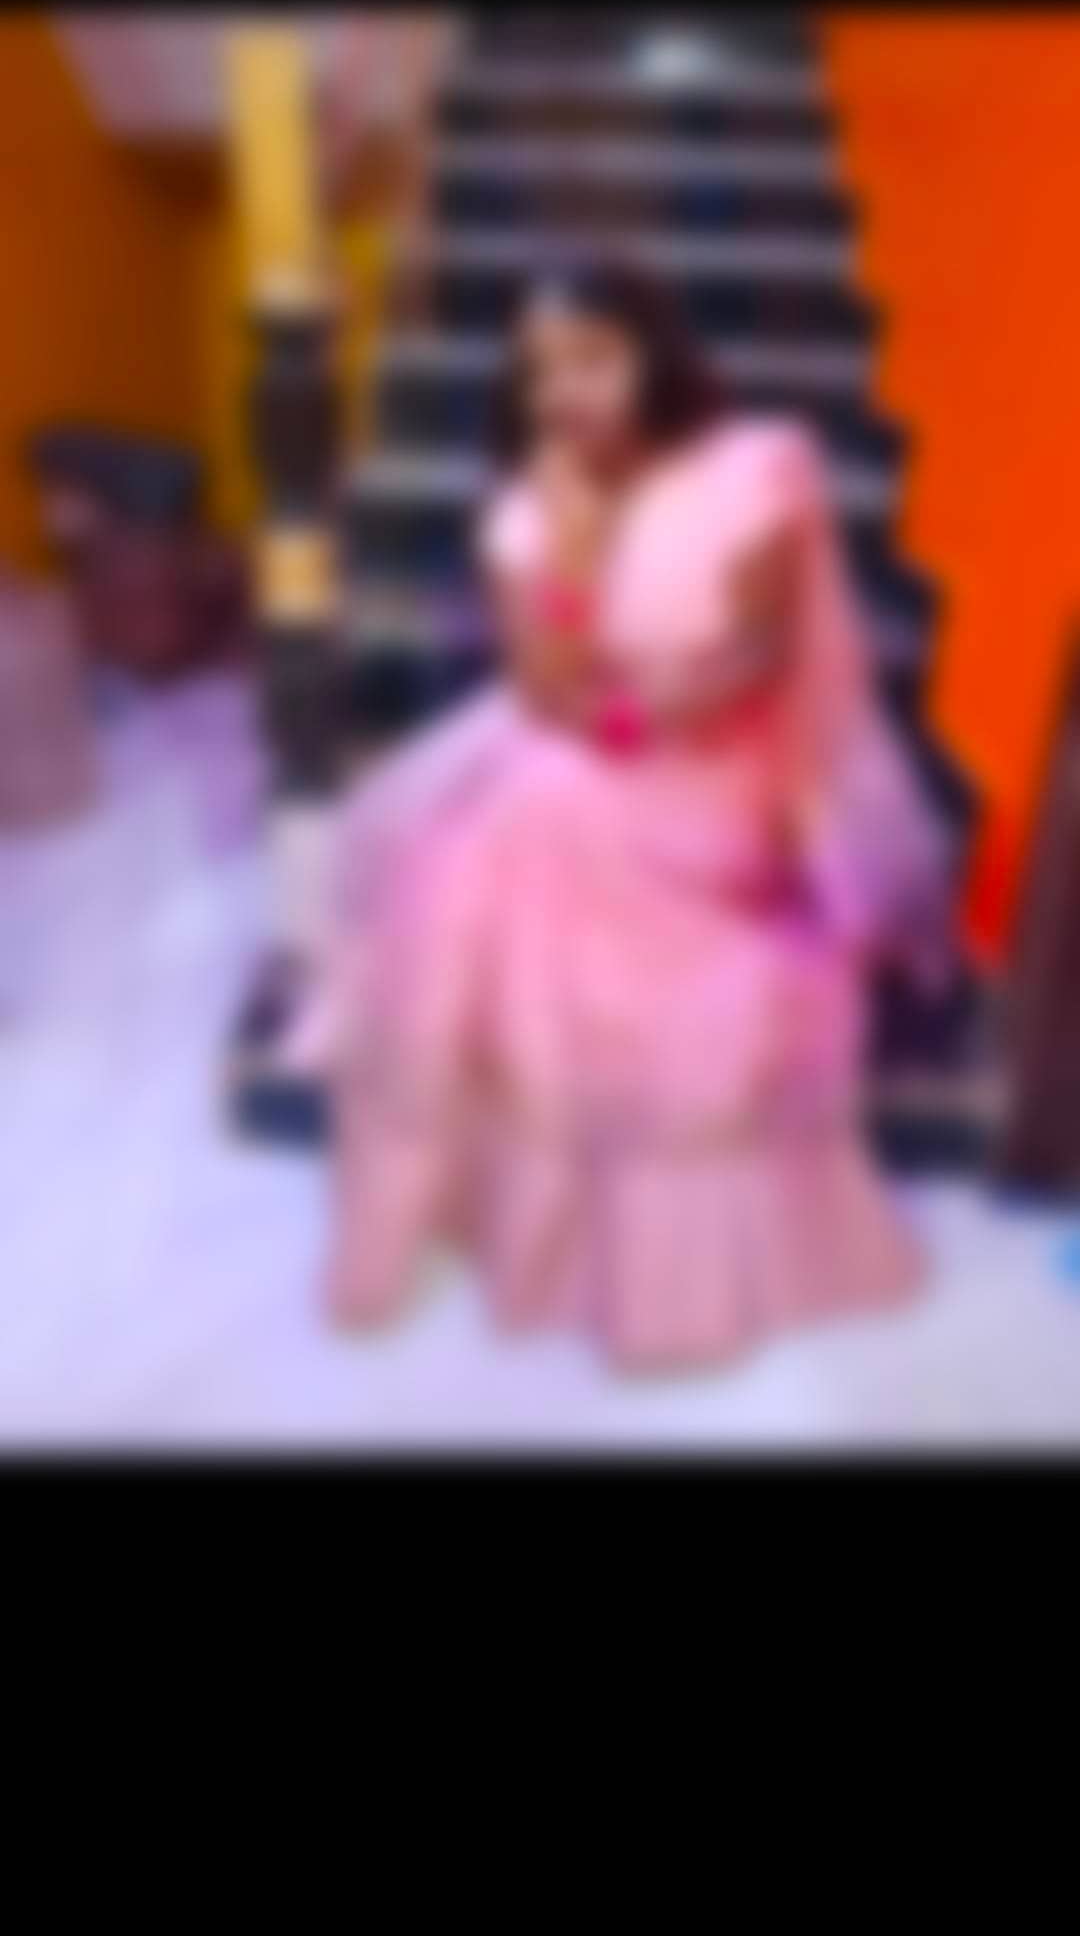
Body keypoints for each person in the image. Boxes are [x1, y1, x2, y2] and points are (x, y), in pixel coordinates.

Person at [324, 257, 945, 1370]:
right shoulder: (523, 513)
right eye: (539, 370)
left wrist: (646, 713)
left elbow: (763, 649)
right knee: (491, 837)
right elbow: (542, 691)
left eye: (593, 358)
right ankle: (516, 1199)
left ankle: (664, 1261)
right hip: (585, 750)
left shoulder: (755, 470)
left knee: (542, 814)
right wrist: (578, 546)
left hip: (719, 760)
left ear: (651, 354)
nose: (564, 390)